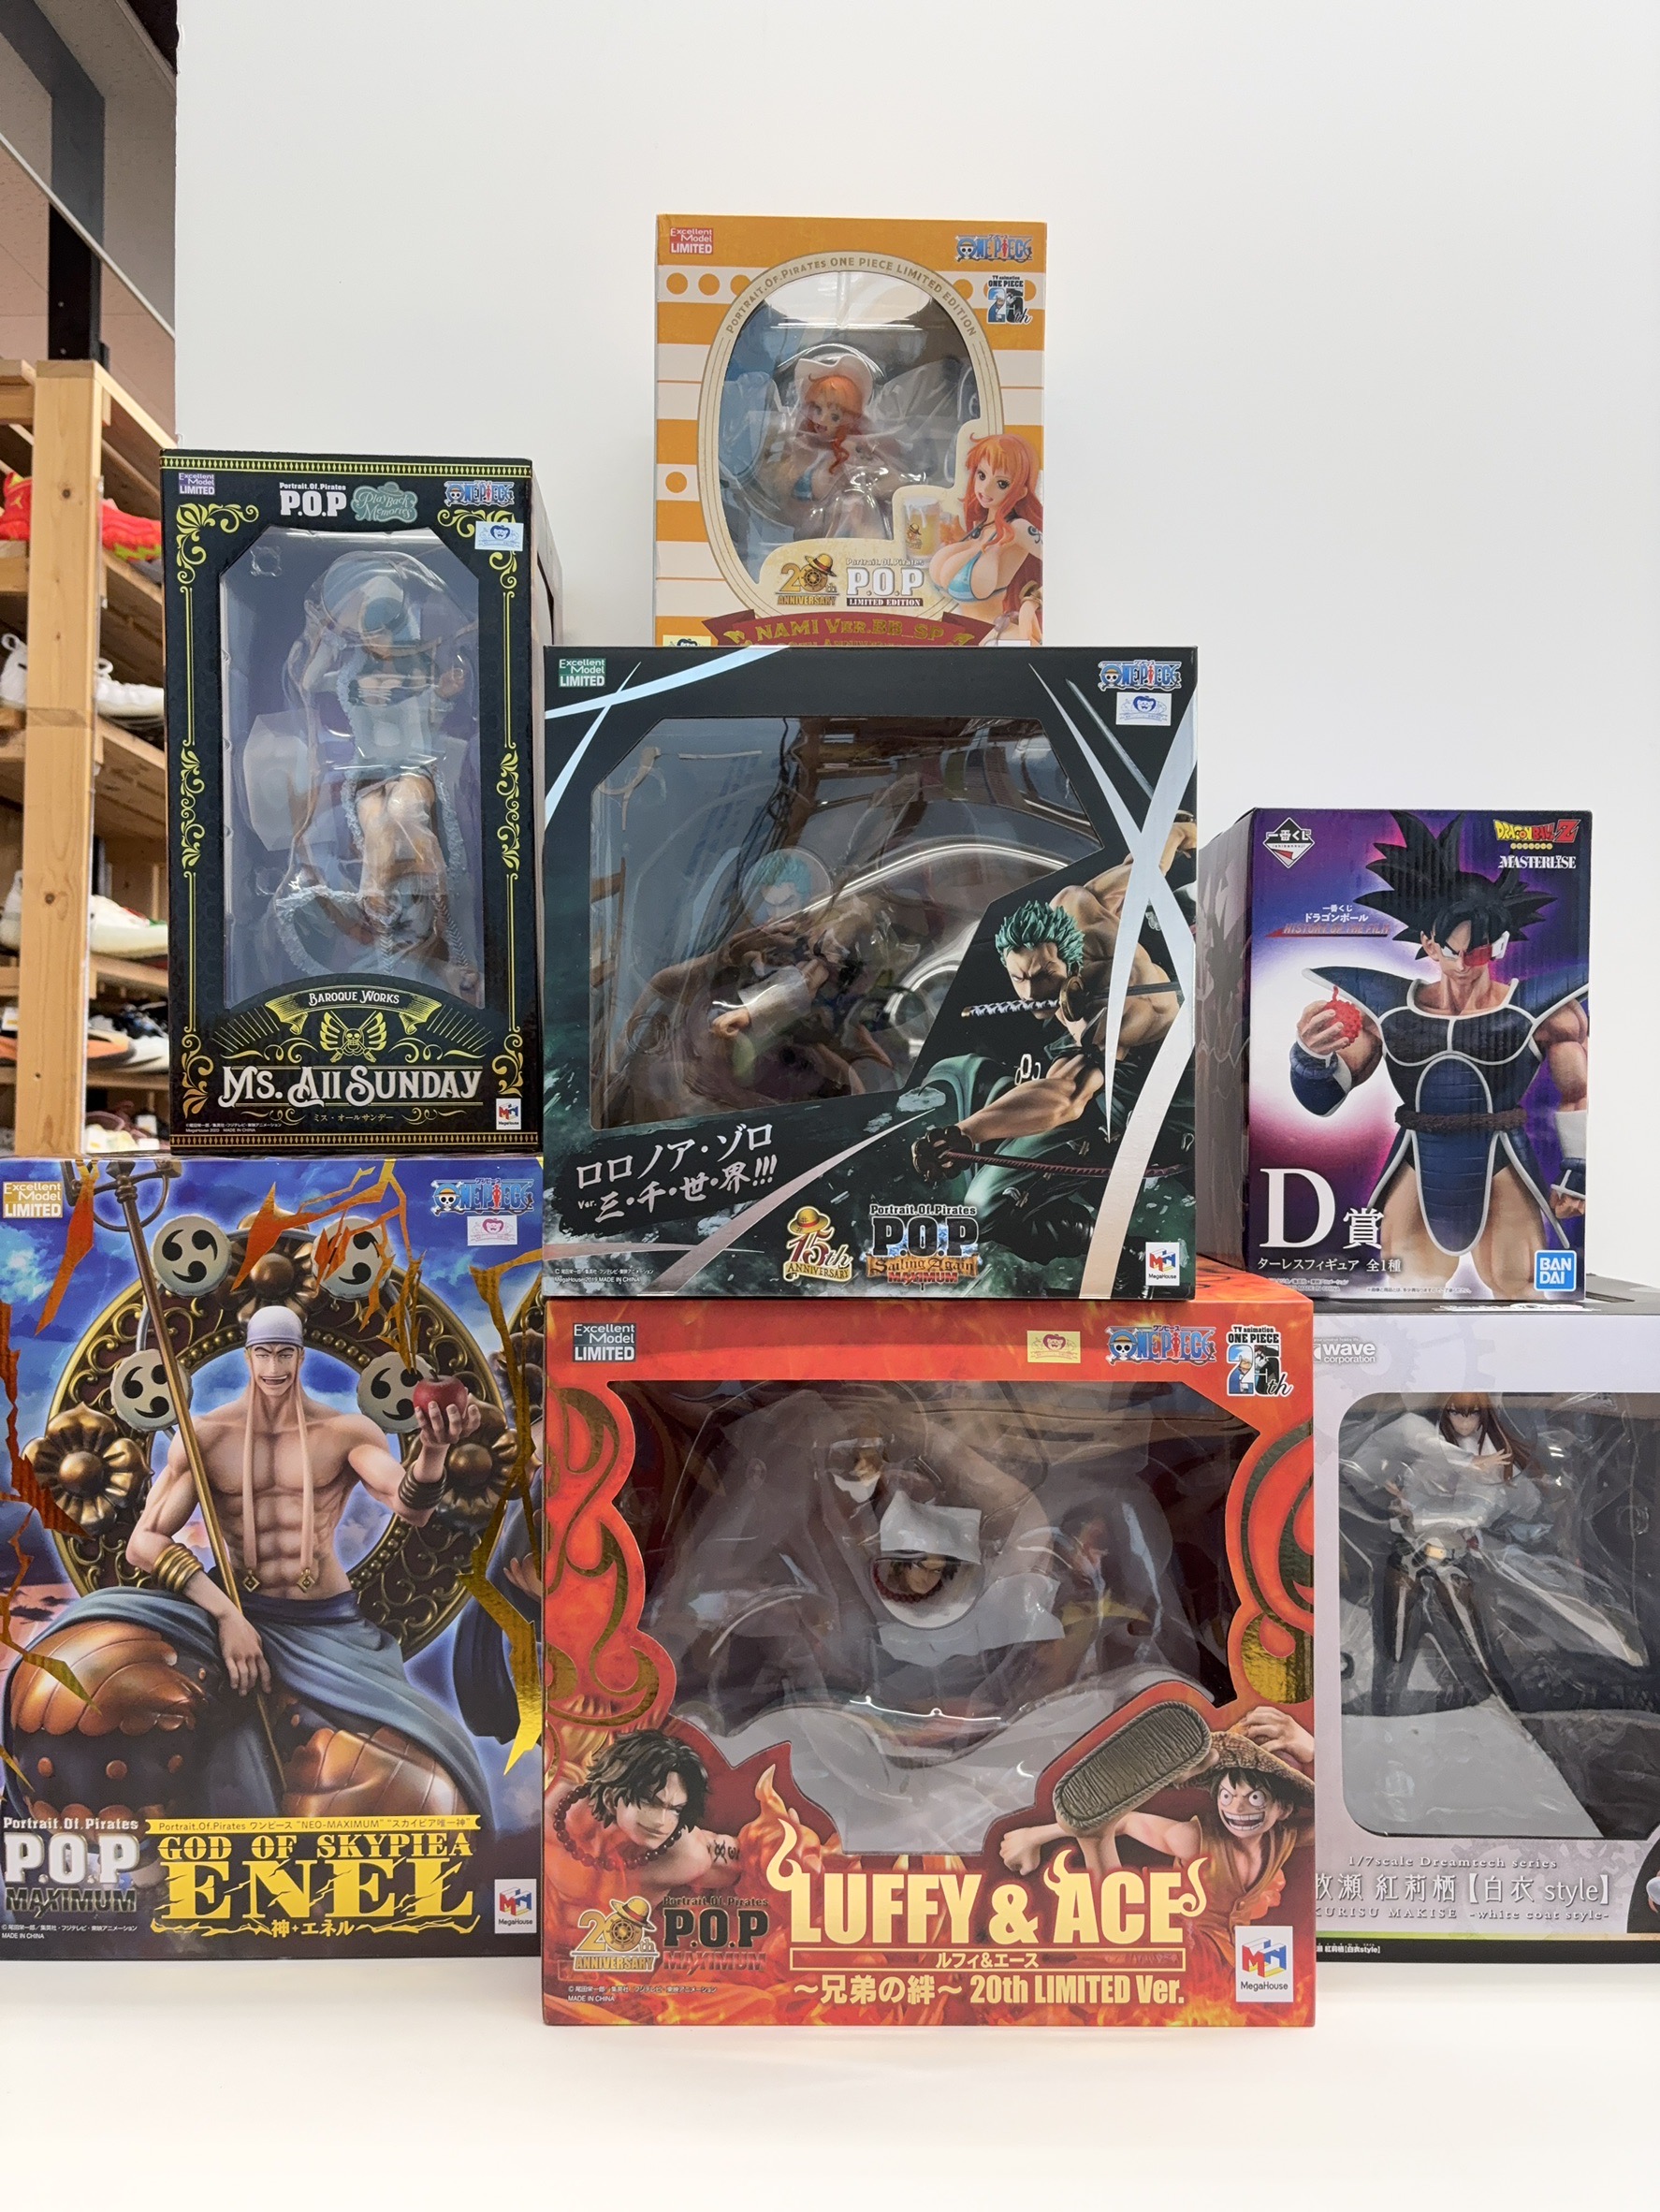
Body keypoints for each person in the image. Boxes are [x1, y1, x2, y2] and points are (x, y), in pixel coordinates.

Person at [4, 1303, 491, 1824]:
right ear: (248, 1357)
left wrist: (433, 1451)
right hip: (234, 1609)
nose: (274, 1367)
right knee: (84, 1676)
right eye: (263, 1354)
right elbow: (143, 1544)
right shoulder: (207, 1436)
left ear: (300, 1357)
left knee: (413, 1774)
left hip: (327, 1626)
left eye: (284, 1354)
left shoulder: (346, 1432)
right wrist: (227, 1616)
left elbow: (409, 1505)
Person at [1289, 812, 1588, 1297]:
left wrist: (1578, 1173)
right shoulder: (1387, 1009)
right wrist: (1310, 1055)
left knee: (1518, 1285)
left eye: (1478, 951)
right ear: (1428, 943)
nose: (1464, 965)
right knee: (1410, 1286)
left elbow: (1577, 1094)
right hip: (1418, 1152)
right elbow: (1325, 1096)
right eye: (1451, 950)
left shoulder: (1545, 1012)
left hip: (1502, 1155)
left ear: (1499, 945)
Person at [912, 818, 1196, 1266]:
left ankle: (1131, 1257)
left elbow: (1065, 1096)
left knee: (983, 1209)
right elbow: (1140, 873)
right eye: (1019, 978)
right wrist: (1179, 834)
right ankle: (1101, 1242)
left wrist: (968, 1132)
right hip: (1113, 1065)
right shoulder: (1074, 905)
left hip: (1165, 1096)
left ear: (1071, 961)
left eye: (1044, 976)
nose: (1030, 994)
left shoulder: (1108, 1019)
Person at [999, 1710, 1314, 1968]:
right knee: (1120, 1941)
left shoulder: (1283, 1840)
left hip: (1233, 1968)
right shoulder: (1196, 1840)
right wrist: (1035, 1836)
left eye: (1255, 1798)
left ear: (1284, 1809)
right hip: (1177, 1956)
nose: (1237, 1807)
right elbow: (1124, 1821)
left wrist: (1313, 1748)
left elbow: (1333, 1820)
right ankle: (1095, 1844)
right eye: (1227, 1795)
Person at [928, 432, 1043, 642]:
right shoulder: (980, 527)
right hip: (962, 634)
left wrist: (1033, 601)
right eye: (982, 475)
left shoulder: (1018, 528)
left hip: (996, 637)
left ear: (1020, 492)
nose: (985, 488)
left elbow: (1063, 564)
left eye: (1002, 484)